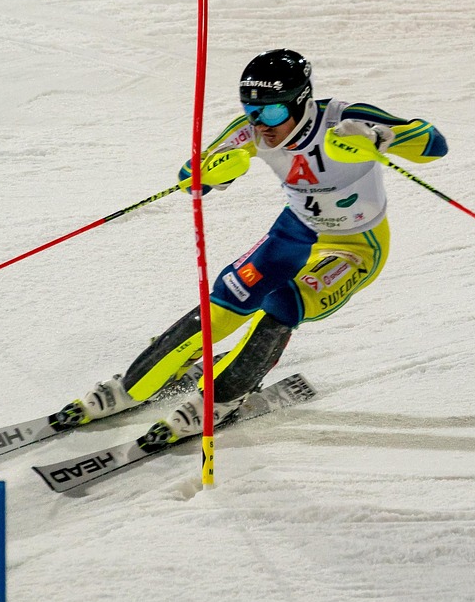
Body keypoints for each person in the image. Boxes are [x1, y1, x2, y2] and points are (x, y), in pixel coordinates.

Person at [55, 48, 447, 444]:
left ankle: (223, 399)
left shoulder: (344, 118)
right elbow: (191, 175)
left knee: (284, 304)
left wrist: (381, 137)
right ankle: (134, 384)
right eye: (251, 111)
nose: (261, 124)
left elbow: (435, 143)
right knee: (228, 298)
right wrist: (210, 172)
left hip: (354, 246)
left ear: (301, 102)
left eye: (273, 113)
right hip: (294, 233)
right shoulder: (251, 130)